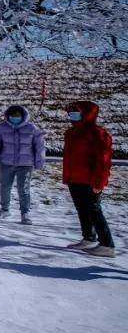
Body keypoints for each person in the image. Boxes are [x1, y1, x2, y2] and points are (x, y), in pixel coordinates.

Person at [62, 101, 115, 257]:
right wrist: (67, 177)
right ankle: (88, 237)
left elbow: (103, 160)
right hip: (74, 178)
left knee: (94, 211)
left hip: (90, 180)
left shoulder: (98, 133)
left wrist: (99, 181)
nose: (73, 116)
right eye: (71, 113)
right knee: (82, 209)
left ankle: (107, 244)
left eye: (76, 113)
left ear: (87, 114)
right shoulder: (70, 133)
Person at [0, 104, 45, 224]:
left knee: (23, 188)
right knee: (4, 187)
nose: (15, 117)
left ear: (23, 116)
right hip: (6, 162)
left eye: (17, 115)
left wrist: (39, 162)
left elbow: (39, 147)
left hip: (25, 164)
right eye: (12, 115)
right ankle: (4, 209)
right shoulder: (1, 128)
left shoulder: (32, 129)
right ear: (8, 116)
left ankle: (25, 213)